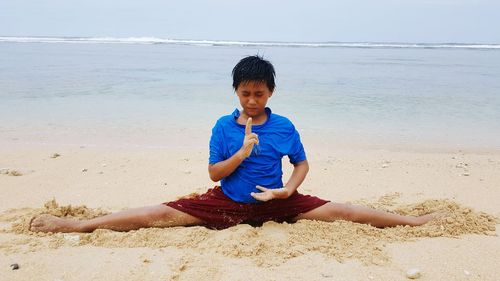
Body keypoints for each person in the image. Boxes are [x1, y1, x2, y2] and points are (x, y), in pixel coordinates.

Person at [30, 55, 435, 233]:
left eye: (259, 94)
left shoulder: (285, 126)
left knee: (343, 210)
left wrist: (288, 190)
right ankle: (80, 224)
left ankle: (414, 222)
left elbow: (301, 164)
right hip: (226, 202)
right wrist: (240, 154)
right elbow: (212, 173)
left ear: (270, 93)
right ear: (236, 91)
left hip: (277, 203)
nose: (252, 101)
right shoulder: (224, 127)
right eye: (245, 93)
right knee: (159, 214)